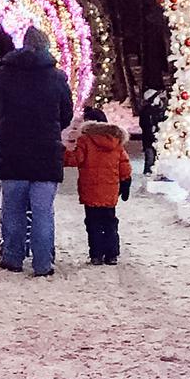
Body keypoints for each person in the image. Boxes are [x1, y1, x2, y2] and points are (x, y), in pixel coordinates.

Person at [0, 26, 73, 277]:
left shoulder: (4, 75)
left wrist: (4, 128)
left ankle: (13, 257)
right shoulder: (56, 77)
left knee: (12, 209)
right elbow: (66, 113)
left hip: (12, 151)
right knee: (43, 212)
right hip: (46, 153)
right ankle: (43, 262)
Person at [64, 107, 133, 265]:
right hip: (110, 191)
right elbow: (124, 163)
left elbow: (76, 159)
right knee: (110, 222)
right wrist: (126, 181)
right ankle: (112, 255)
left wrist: (63, 153)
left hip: (91, 191)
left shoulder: (85, 141)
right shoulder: (116, 141)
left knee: (93, 223)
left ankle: (96, 254)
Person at [139, 88, 167, 175]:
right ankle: (148, 170)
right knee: (150, 155)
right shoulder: (147, 111)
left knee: (157, 154)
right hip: (149, 138)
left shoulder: (159, 109)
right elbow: (144, 124)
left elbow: (162, 119)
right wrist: (151, 127)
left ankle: (155, 170)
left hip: (157, 136)